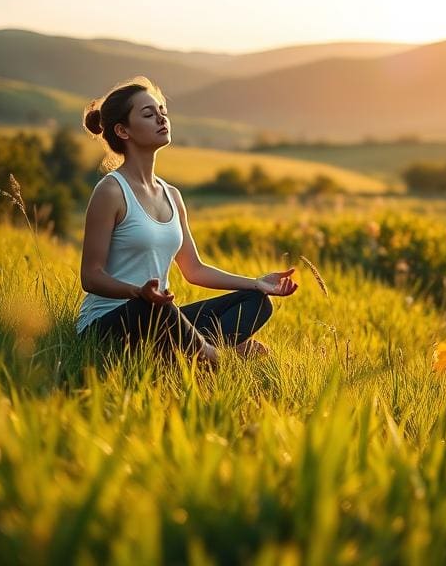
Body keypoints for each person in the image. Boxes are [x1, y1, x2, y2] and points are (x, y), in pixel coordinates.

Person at [77, 76, 298, 366]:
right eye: (148, 114)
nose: (161, 118)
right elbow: (90, 277)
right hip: (109, 322)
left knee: (256, 303)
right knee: (155, 307)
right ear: (123, 130)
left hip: (160, 316)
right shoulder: (111, 191)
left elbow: (194, 270)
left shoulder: (172, 195)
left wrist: (256, 283)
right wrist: (137, 292)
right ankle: (212, 357)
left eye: (162, 111)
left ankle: (181, 354)